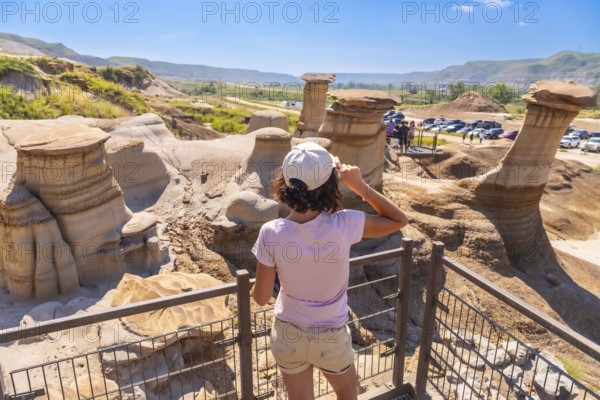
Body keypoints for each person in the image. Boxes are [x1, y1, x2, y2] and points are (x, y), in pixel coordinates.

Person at [251, 142, 408, 400]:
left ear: (285, 182)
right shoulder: (345, 223)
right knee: (347, 394)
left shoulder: (271, 232)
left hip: (288, 334)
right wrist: (360, 186)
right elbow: (398, 220)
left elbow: (260, 297)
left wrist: (252, 284)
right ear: (330, 185)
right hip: (330, 336)